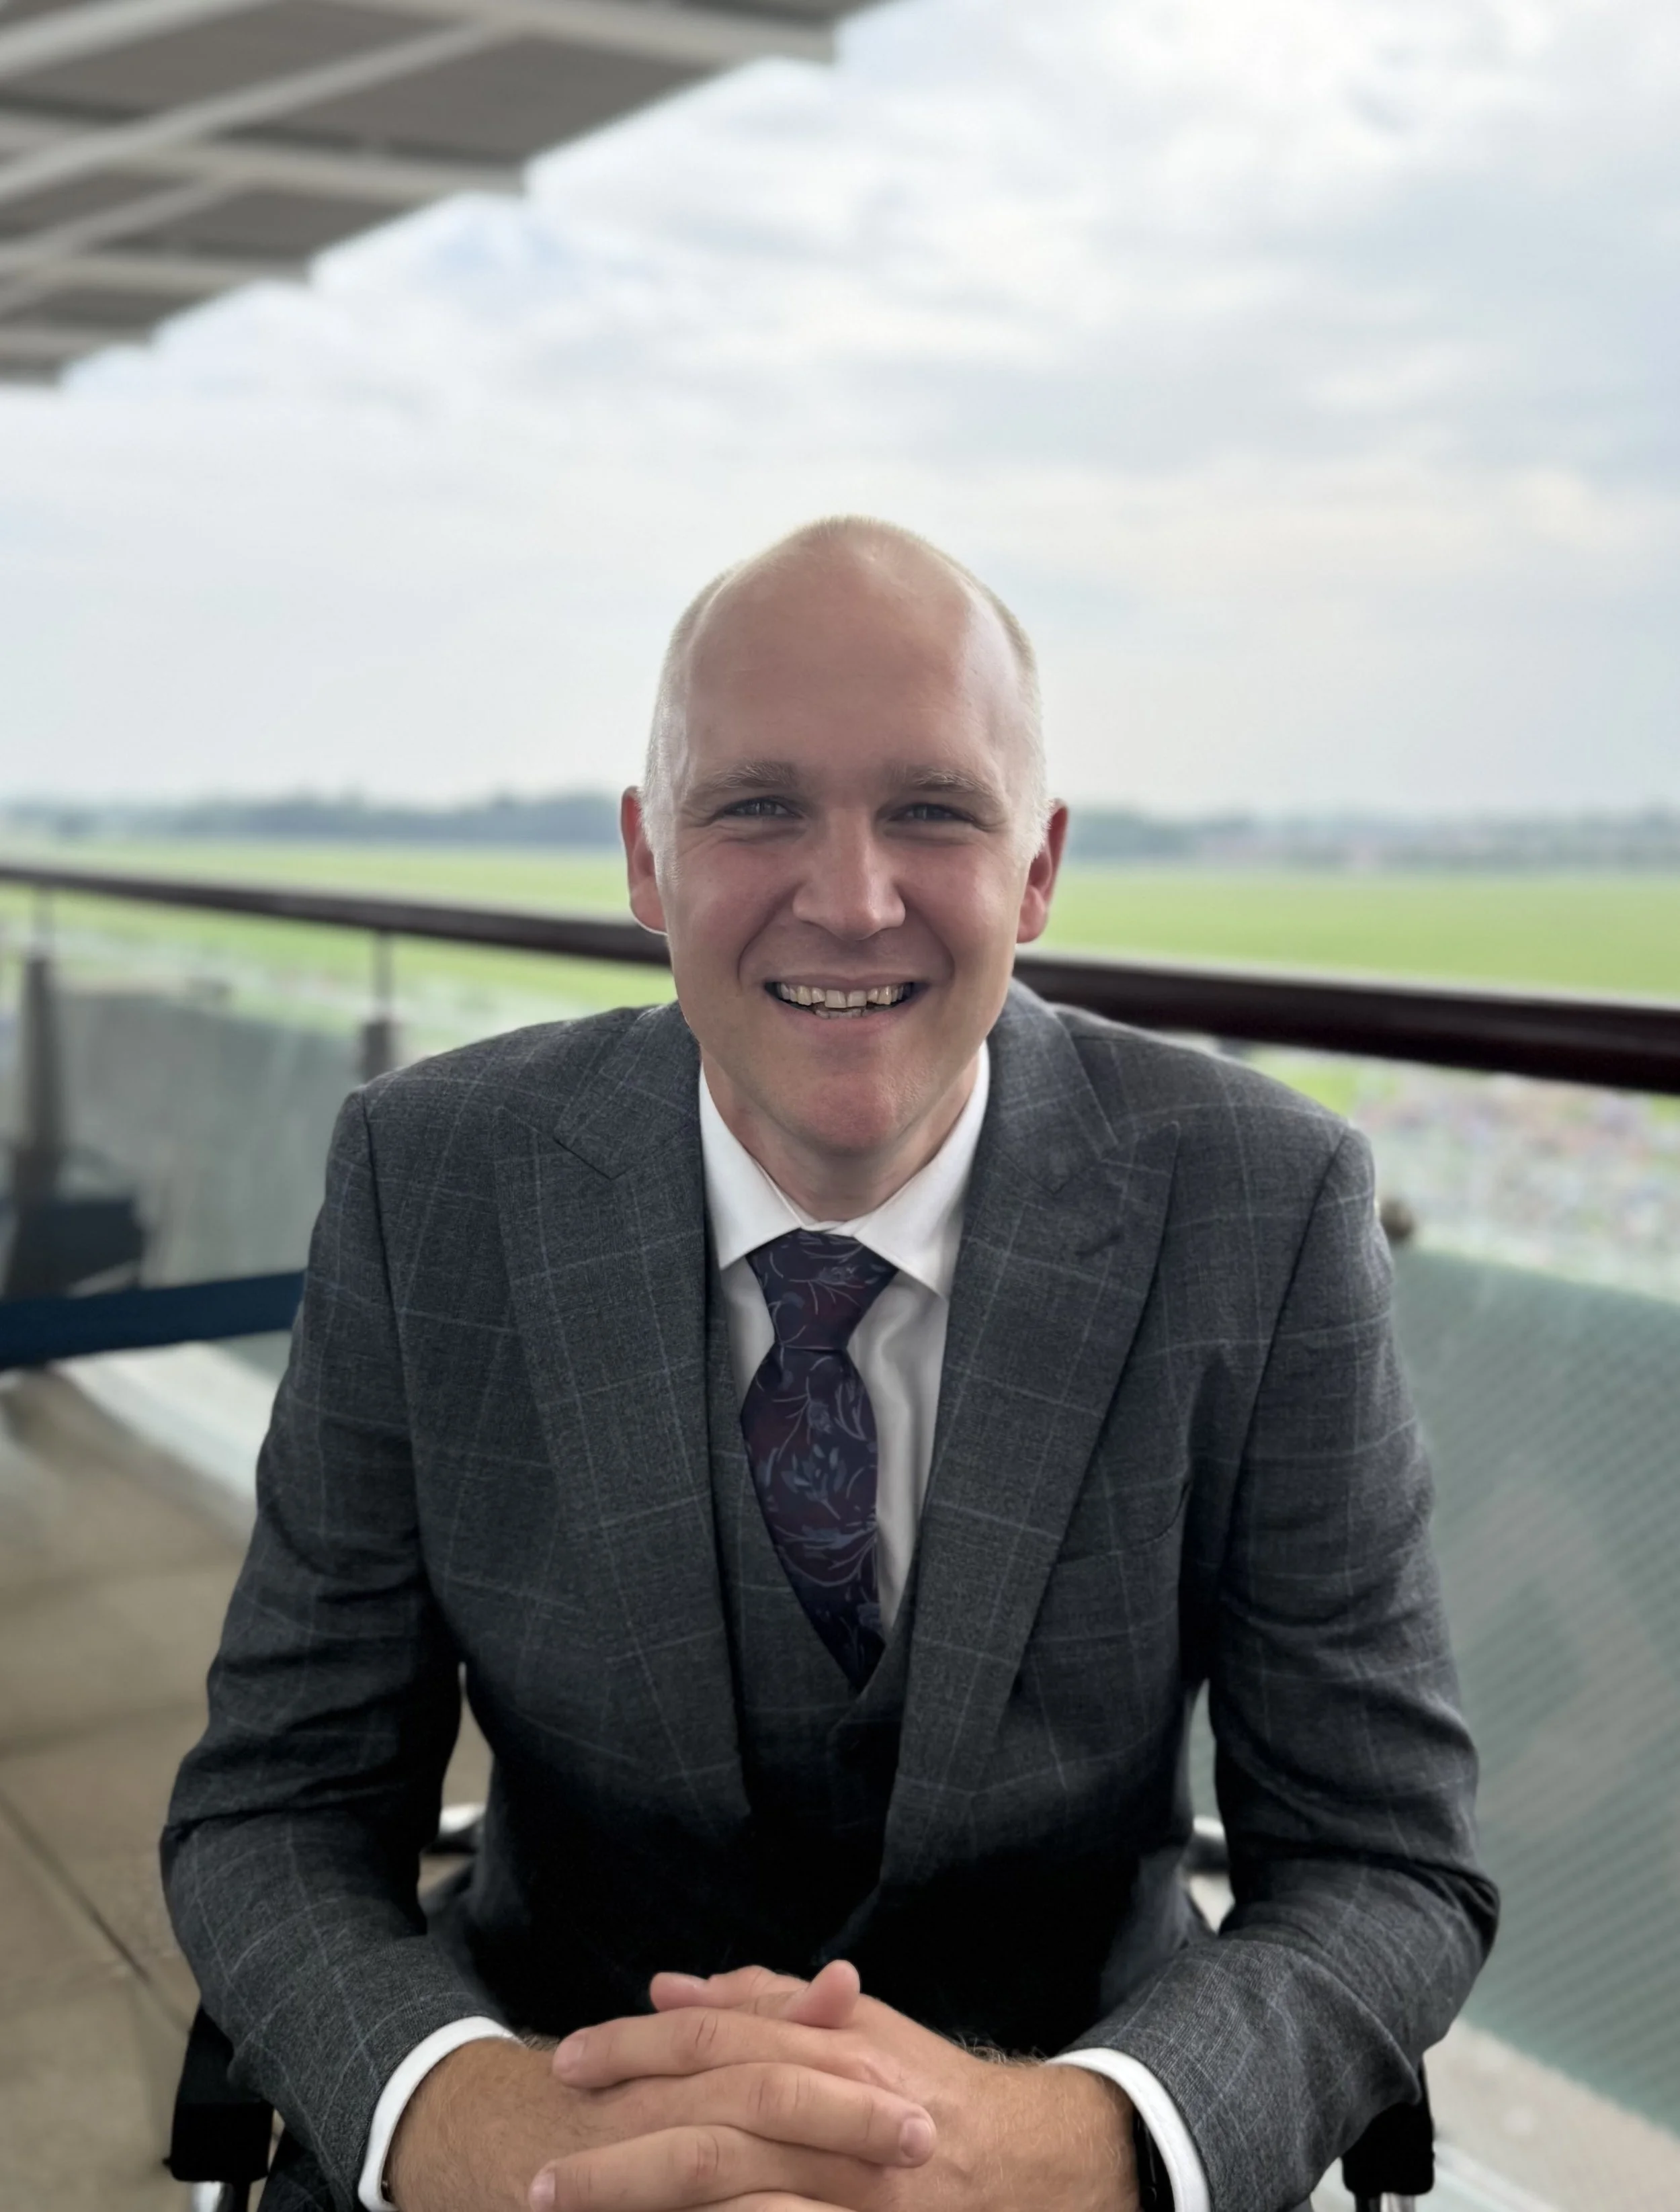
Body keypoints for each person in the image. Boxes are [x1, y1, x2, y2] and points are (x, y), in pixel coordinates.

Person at [163, 517, 1495, 2212]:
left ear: (1035, 866)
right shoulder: (431, 1181)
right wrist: (475, 2126)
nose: (850, 897)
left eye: (932, 809)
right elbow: (274, 1801)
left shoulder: (1262, 1202)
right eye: (758, 805)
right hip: (554, 2105)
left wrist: (1071, 2144)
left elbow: (1386, 1860)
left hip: (1060, 2130)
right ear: (649, 858)